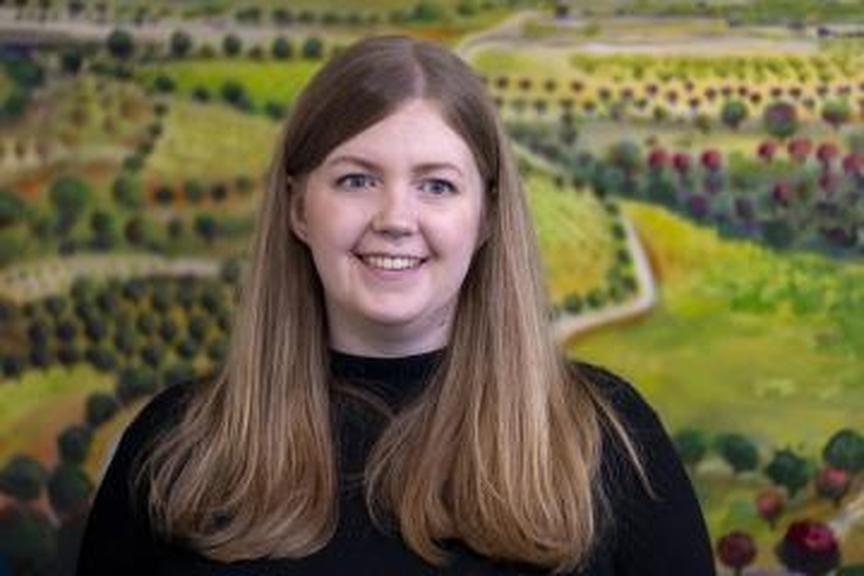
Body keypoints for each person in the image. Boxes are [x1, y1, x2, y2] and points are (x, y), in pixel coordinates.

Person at [77, 35, 715, 575]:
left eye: (436, 185)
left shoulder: (606, 441)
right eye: (357, 179)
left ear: (486, 216)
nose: (395, 219)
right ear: (299, 208)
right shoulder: (176, 449)